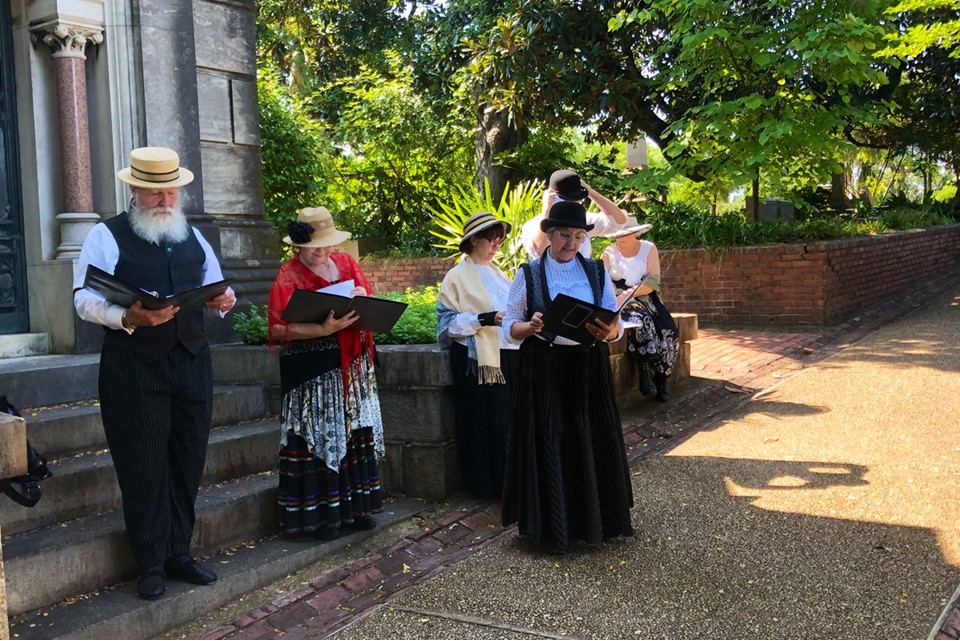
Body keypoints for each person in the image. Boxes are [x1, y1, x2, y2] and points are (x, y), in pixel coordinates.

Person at [73, 146, 237, 600]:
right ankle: (149, 561)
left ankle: (179, 552)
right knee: (142, 463)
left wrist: (226, 302)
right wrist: (128, 318)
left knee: (188, 458)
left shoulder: (193, 236)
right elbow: (84, 300)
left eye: (172, 191)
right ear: (134, 189)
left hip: (190, 361)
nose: (166, 201)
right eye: (155, 193)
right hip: (134, 367)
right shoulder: (104, 236)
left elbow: (220, 284)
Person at [501, 200, 635, 554]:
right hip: (545, 367)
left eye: (577, 236)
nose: (571, 243)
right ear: (548, 234)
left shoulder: (595, 272)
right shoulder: (528, 273)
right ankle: (550, 527)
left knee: (590, 436)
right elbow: (509, 326)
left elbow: (613, 322)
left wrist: (609, 332)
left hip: (587, 366)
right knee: (551, 437)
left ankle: (596, 521)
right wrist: (529, 326)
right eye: (564, 235)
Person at [267, 206, 384, 541]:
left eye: (328, 243)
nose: (323, 251)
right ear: (298, 246)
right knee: (318, 437)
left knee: (352, 435)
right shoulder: (288, 275)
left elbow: (368, 302)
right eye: (315, 245)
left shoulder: (346, 264)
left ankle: (356, 510)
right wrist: (321, 329)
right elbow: (277, 328)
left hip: (351, 367)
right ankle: (321, 518)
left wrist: (362, 302)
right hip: (312, 377)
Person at [436, 212, 520, 499]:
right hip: (478, 361)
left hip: (507, 354)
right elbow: (448, 325)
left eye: (500, 239)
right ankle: (488, 484)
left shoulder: (500, 274)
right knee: (485, 421)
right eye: (491, 239)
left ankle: (509, 480)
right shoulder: (456, 276)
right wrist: (486, 319)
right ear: (474, 240)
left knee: (507, 419)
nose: (497, 245)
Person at [602, 216, 680, 402]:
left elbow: (652, 281)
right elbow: (602, 280)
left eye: (626, 234)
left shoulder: (648, 248)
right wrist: (618, 296)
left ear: (635, 232)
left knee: (668, 332)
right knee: (641, 322)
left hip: (646, 296)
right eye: (618, 234)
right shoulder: (608, 252)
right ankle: (643, 368)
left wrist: (629, 293)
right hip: (618, 300)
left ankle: (661, 380)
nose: (620, 238)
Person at [521, 169, 627, 260]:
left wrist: (591, 193)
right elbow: (539, 250)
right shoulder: (532, 225)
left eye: (576, 200)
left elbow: (618, 222)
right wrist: (547, 209)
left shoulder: (583, 221)